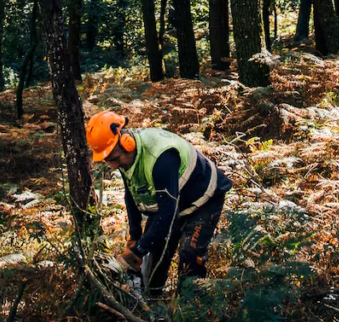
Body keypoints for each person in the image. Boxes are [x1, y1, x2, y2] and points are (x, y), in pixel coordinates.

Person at [85, 110, 232, 295]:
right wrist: (135, 237)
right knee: (154, 251)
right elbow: (131, 195)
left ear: (126, 143)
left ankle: (192, 309)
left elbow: (168, 214)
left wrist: (137, 252)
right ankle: (152, 304)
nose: (113, 166)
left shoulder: (160, 157)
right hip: (172, 201)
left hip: (203, 198)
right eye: (108, 161)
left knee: (190, 255)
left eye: (114, 159)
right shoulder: (127, 159)